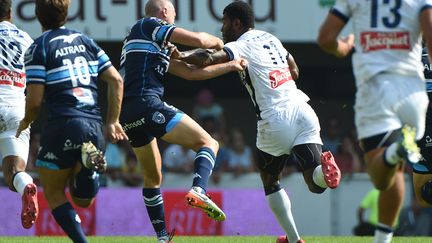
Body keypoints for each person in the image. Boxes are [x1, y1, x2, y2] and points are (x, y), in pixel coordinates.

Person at [178, 2, 342, 243]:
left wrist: (180, 54)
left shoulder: (240, 44)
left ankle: (295, 239)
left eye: (224, 22)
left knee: (271, 181)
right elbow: (294, 70)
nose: (221, 29)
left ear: (236, 23)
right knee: (315, 184)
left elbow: (209, 59)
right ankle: (324, 172)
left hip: (274, 119)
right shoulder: (271, 38)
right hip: (302, 109)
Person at [118, 0, 246, 242]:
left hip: (129, 114)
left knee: (153, 177)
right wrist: (221, 43)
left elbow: (190, 73)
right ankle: (199, 189)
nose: (175, 16)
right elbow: (198, 40)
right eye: (174, 11)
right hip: (147, 104)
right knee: (209, 143)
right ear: (165, 12)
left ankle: (162, 237)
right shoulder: (148, 25)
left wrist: (230, 65)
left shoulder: (147, 43)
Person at [317, 1, 432, 242]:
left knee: (384, 177)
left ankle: (393, 154)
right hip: (415, 93)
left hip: (376, 92)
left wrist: (344, 46)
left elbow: (326, 38)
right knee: (416, 189)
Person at [15, 0, 128, 242]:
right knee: (83, 200)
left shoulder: (39, 47)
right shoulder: (86, 41)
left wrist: (26, 121)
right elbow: (117, 81)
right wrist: (112, 121)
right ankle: (86, 171)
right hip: (94, 124)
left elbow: (35, 102)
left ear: (37, 15)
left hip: (63, 123)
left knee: (54, 193)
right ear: (67, 13)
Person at [0, 0, 37, 229]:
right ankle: (26, 187)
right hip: (16, 106)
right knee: (14, 172)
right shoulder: (26, 39)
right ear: (11, 12)